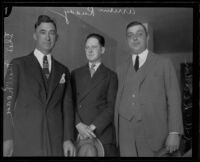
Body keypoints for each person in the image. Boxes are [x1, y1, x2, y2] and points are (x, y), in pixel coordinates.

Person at [3, 15, 75, 156]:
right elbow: (7, 104)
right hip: (25, 140)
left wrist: (68, 138)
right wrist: (7, 138)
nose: (47, 37)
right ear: (35, 35)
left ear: (57, 37)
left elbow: (67, 108)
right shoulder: (17, 65)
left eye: (52, 33)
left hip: (55, 141)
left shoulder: (63, 70)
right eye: (43, 32)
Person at [114, 21, 184, 157]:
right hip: (125, 137)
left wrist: (174, 132)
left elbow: (174, 99)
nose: (134, 38)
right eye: (130, 35)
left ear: (147, 37)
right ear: (127, 40)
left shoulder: (164, 63)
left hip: (156, 135)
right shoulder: (120, 69)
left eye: (139, 34)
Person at [71, 33, 118, 156]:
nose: (90, 50)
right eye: (87, 47)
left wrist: (91, 128)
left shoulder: (111, 75)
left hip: (102, 135)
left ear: (102, 50)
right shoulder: (75, 74)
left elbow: (111, 107)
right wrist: (78, 125)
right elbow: (69, 104)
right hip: (79, 133)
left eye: (94, 47)